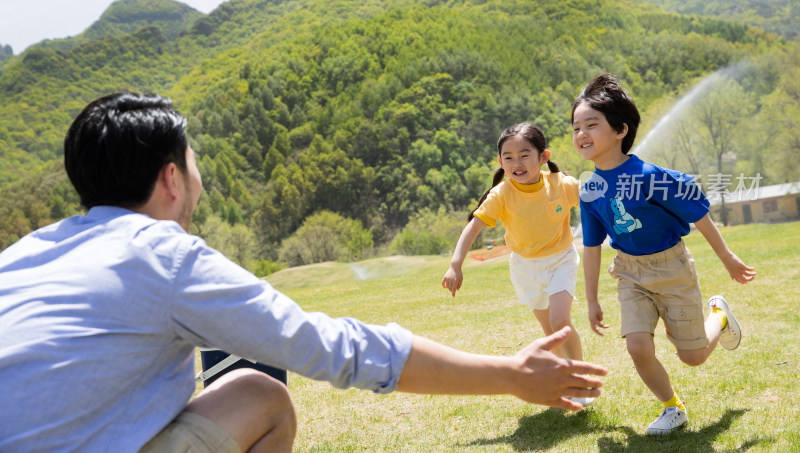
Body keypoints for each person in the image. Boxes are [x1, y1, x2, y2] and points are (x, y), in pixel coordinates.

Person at [0, 93, 607, 453]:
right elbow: (329, 347)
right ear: (170, 179)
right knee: (260, 393)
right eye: (193, 161)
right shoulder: (165, 254)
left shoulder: (25, 252)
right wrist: (510, 374)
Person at [571, 73, 756, 435]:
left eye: (591, 125)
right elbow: (591, 246)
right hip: (629, 271)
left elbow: (698, 213)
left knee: (693, 357)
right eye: (575, 127)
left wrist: (727, 257)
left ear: (620, 130)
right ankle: (672, 408)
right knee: (638, 347)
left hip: (672, 268)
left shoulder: (649, 177)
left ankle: (718, 317)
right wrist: (591, 298)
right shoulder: (589, 188)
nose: (581, 134)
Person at [441, 123, 593, 408]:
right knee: (551, 334)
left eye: (524, 154)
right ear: (500, 162)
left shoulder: (561, 184)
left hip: (561, 259)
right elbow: (473, 227)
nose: (516, 162)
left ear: (543, 156)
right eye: (508, 157)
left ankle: (580, 381)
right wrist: (455, 264)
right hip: (525, 268)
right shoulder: (500, 194)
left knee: (561, 323)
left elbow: (595, 196)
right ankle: (564, 381)